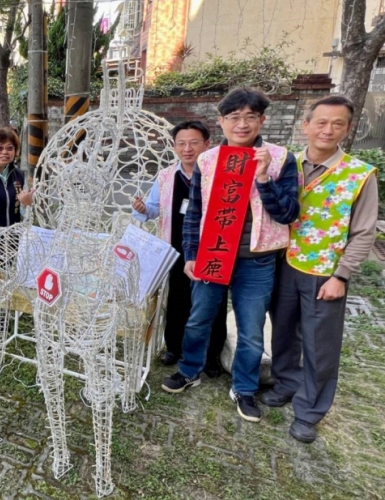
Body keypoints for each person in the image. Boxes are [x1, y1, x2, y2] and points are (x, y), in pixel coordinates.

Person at [161, 87, 300, 424]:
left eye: (250, 117)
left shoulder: (281, 157)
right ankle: (189, 369)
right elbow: (194, 212)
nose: (242, 124)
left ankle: (245, 388)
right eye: (234, 117)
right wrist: (191, 255)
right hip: (212, 254)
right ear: (221, 121)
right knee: (198, 319)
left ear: (262, 120)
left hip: (257, 261)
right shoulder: (208, 161)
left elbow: (289, 213)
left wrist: (264, 177)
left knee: (251, 329)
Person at [261, 96, 377, 443]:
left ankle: (310, 410)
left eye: (337, 124)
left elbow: (364, 231)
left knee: (319, 344)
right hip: (284, 262)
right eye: (321, 122)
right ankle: (286, 383)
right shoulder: (286, 163)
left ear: (348, 128)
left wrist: (342, 275)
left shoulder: (358, 175)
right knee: (283, 331)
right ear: (306, 125)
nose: (328, 130)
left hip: (324, 272)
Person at [132, 121, 227, 376]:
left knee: (213, 303)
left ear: (207, 144)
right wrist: (143, 209)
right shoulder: (166, 176)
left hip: (212, 247)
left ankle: (211, 355)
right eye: (182, 144)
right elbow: (154, 208)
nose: (188, 149)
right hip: (174, 246)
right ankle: (174, 346)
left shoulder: (218, 174)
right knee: (177, 299)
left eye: (194, 143)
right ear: (174, 147)